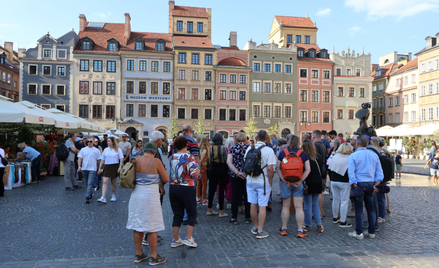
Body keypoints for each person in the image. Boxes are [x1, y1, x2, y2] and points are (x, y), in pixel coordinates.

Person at [126, 142, 169, 265]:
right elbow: (166, 179)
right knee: (151, 226)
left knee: (137, 224)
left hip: (136, 194)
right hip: (150, 195)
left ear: (143, 150)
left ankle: (138, 254)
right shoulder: (156, 161)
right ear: (155, 152)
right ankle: (154, 256)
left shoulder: (135, 159)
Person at [348, 136, 383, 240]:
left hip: (359, 183)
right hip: (371, 183)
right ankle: (371, 232)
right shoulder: (374, 155)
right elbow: (379, 172)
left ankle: (359, 232)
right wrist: (376, 184)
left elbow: (351, 172)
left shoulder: (353, 156)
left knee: (359, 209)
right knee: (371, 208)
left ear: (357, 144)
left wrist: (354, 184)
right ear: (367, 144)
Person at [276, 134, 311, 238]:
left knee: (286, 206)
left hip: (285, 182)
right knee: (299, 207)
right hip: (297, 183)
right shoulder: (302, 154)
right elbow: (308, 169)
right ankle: (300, 230)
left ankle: (284, 228)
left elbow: (277, 167)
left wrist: (283, 179)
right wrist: (300, 180)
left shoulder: (283, 153)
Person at [169, 136, 200, 248]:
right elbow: (194, 174)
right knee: (192, 212)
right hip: (186, 187)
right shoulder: (189, 156)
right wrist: (198, 172)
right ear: (186, 144)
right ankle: (188, 238)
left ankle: (175, 239)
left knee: (177, 214)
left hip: (173, 187)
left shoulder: (172, 157)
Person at [244, 130, 276, 239]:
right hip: (263, 181)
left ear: (257, 137)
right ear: (267, 138)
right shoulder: (269, 150)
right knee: (262, 205)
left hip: (250, 180)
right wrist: (270, 180)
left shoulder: (250, 148)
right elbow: (270, 168)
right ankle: (260, 231)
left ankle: (255, 227)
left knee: (253, 204)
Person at [143, 131, 166, 246]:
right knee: (153, 212)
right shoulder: (154, 153)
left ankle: (150, 235)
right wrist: (162, 187)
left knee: (150, 212)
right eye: (162, 140)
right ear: (158, 140)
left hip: (146, 187)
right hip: (154, 187)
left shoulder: (146, 151)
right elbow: (158, 173)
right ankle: (149, 237)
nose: (162, 142)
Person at [301, 139, 324, 233]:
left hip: (308, 183)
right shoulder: (318, 156)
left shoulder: (304, 157)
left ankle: (307, 224)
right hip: (318, 182)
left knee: (307, 204)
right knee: (315, 204)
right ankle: (319, 225)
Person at [227, 132, 251, 224]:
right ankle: (247, 217)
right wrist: (244, 173)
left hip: (235, 175)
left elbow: (229, 162)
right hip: (247, 175)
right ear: (246, 139)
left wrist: (237, 172)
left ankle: (234, 217)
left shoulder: (233, 148)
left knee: (235, 196)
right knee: (247, 196)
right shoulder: (250, 148)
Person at [328, 143, 353, 227]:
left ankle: (335, 217)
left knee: (335, 199)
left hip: (334, 180)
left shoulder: (335, 157)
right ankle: (343, 221)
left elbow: (330, 168)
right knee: (344, 201)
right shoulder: (350, 158)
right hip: (344, 181)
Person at [207, 133, 229, 218]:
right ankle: (221, 211)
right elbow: (226, 159)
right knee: (221, 190)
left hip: (213, 169)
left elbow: (209, 160)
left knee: (211, 190)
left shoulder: (210, 148)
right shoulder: (224, 148)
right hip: (222, 169)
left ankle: (209, 209)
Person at [97, 137, 124, 203]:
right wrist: (100, 168)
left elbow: (121, 159)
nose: (107, 142)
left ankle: (113, 195)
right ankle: (103, 197)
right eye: (107, 141)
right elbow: (102, 160)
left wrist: (120, 167)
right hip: (107, 166)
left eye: (109, 141)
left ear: (113, 142)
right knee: (105, 181)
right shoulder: (105, 149)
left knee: (113, 182)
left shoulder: (118, 149)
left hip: (115, 166)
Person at [77, 139, 101, 203]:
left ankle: (87, 196)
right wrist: (79, 166)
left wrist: (98, 169)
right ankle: (90, 192)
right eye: (88, 141)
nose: (89, 143)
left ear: (93, 142)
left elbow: (98, 161)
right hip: (84, 168)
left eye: (91, 141)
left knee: (90, 182)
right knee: (87, 182)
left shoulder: (97, 150)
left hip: (93, 169)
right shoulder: (83, 150)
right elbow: (79, 158)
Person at [197, 138, 210, 205]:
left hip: (199, 167)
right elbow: (201, 160)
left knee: (199, 183)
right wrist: (200, 169)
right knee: (204, 184)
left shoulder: (199, 149)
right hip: (203, 167)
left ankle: (198, 198)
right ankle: (204, 199)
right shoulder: (204, 150)